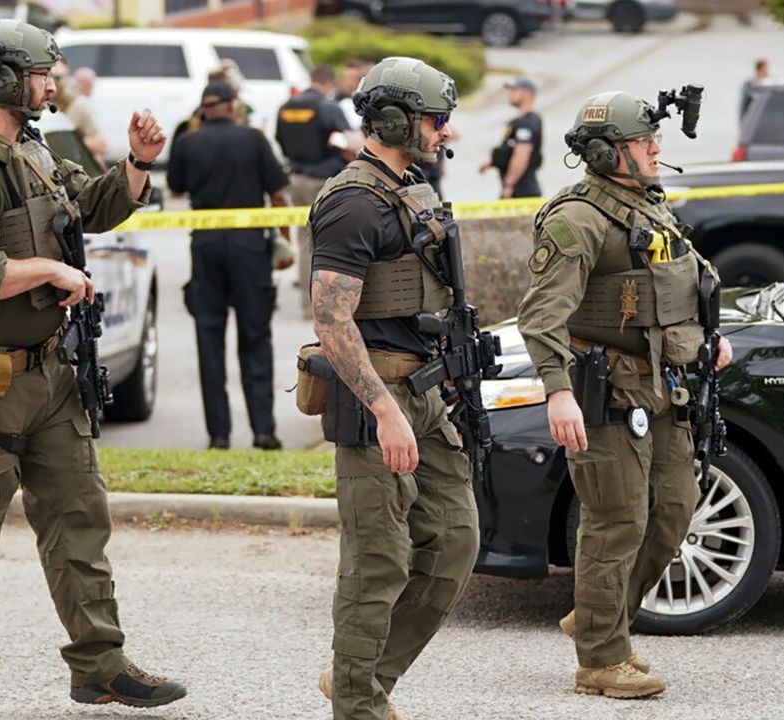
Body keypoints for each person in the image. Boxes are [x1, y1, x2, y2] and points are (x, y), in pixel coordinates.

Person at [0, 19, 186, 720]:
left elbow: (90, 206)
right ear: (0, 79)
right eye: (42, 73)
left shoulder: (35, 149)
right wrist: (51, 269)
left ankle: (100, 667)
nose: (54, 83)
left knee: (80, 520)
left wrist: (137, 164)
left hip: (51, 376)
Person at [516, 91, 732, 700]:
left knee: (674, 511)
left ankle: (594, 618)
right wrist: (558, 394)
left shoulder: (648, 208)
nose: (656, 149)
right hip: (606, 392)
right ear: (608, 152)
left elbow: (680, 287)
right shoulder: (577, 219)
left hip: (666, 387)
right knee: (617, 523)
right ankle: (600, 659)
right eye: (643, 142)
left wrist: (710, 339)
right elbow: (540, 317)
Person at [308, 56, 478, 720]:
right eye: (435, 119)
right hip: (374, 399)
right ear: (395, 119)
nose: (443, 130)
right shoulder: (354, 202)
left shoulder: (410, 188)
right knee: (377, 562)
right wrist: (385, 409)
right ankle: (358, 704)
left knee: (456, 542)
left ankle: (363, 678)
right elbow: (330, 318)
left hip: (424, 394)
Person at [167, 80, 292, 451]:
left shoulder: (188, 142)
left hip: (205, 245)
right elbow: (278, 194)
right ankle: (263, 431)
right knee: (255, 337)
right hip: (249, 247)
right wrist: (283, 243)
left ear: (204, 109)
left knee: (209, 338)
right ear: (233, 105)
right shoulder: (253, 139)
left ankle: (219, 435)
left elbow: (175, 188)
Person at [275, 64, 352, 317]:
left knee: (304, 240)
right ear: (328, 83)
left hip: (296, 178)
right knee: (328, 242)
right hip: (323, 181)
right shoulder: (328, 107)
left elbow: (281, 141)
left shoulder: (286, 107)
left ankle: (308, 306)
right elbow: (346, 141)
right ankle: (326, 305)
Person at [480, 77, 543, 198]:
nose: (509, 94)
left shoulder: (528, 122)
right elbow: (509, 150)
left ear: (527, 93)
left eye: (514, 90)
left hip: (522, 190)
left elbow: (521, 155)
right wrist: (491, 162)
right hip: (518, 188)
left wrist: (509, 184)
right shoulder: (520, 121)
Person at [52, 59, 108, 162]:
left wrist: (70, 143)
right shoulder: (34, 102)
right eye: (46, 75)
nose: (52, 83)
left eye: (57, 78)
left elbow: (101, 146)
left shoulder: (78, 104)